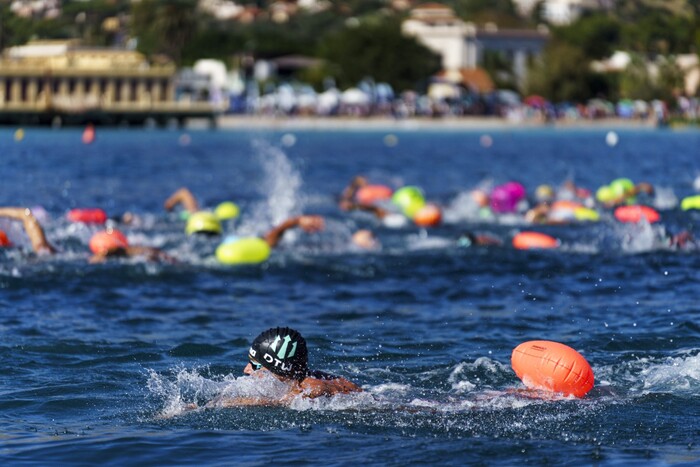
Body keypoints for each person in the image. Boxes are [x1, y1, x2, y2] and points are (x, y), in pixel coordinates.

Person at [201, 327, 362, 407]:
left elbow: (279, 403)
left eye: (255, 365)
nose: (246, 370)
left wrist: (222, 404)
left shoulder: (313, 387)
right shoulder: (305, 376)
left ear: (279, 369)